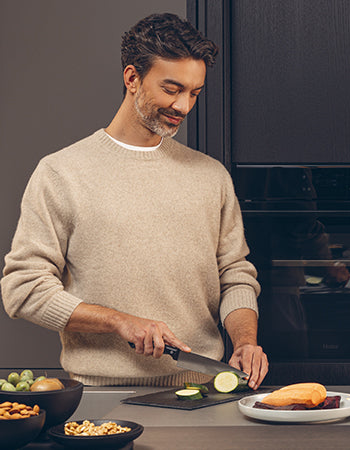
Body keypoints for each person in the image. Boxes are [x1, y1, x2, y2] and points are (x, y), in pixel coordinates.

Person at [1, 13, 267, 388]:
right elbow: (23, 290)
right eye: (172, 89)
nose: (184, 106)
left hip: (202, 392)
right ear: (132, 78)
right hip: (99, 397)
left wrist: (245, 340)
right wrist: (119, 321)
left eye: (194, 93)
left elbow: (235, 276)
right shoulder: (61, 173)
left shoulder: (211, 176)